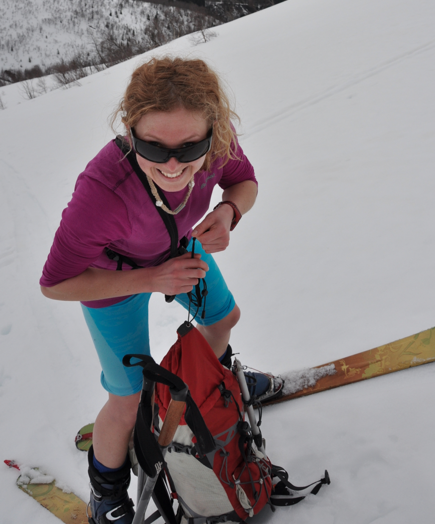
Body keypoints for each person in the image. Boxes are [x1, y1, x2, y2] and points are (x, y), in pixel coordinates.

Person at [40, 56, 282, 524]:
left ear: (211, 132)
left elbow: (244, 181)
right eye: (154, 147)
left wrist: (231, 211)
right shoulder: (102, 191)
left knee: (223, 320)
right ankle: (107, 495)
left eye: (190, 147)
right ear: (130, 133)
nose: (173, 165)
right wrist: (151, 279)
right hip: (113, 280)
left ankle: (206, 396)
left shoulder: (218, 142)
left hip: (183, 249)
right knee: (127, 401)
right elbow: (55, 284)